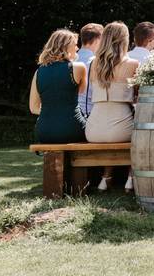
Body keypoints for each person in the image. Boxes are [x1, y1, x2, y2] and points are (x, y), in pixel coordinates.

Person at [85, 22, 139, 192]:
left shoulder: (93, 63)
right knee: (142, 134)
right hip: (122, 127)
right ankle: (130, 178)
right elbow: (138, 97)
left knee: (115, 131)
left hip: (93, 129)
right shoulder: (133, 64)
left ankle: (105, 178)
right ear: (124, 40)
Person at [29, 29, 87, 144]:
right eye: (75, 45)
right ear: (65, 46)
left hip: (45, 131)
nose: (77, 48)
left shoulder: (38, 72)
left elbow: (33, 108)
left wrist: (52, 113)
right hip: (72, 129)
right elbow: (81, 91)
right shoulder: (79, 67)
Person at [76, 23, 103, 118]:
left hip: (68, 113)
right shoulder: (97, 63)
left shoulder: (70, 60)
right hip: (88, 114)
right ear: (97, 40)